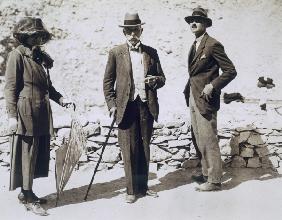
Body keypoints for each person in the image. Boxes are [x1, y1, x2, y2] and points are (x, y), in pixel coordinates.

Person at [5, 17, 73, 215]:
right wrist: (11, 116)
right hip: (25, 113)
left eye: (40, 36)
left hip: (41, 113)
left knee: (35, 155)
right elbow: (10, 89)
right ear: (25, 37)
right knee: (27, 155)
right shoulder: (17, 56)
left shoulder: (39, 57)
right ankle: (28, 197)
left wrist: (61, 100)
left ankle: (27, 192)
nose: (37, 39)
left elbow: (47, 88)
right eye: (34, 36)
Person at [103, 12, 166, 203]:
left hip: (146, 105)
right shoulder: (116, 52)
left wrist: (155, 80)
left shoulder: (151, 52)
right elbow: (107, 82)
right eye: (128, 31)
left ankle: (143, 187)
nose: (132, 34)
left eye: (135, 30)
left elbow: (162, 79)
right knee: (128, 148)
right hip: (125, 107)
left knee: (144, 147)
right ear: (124, 32)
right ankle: (131, 190)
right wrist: (112, 104)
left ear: (141, 30)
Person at [183, 7, 237, 191]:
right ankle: (206, 173)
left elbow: (230, 71)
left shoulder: (213, 44)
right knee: (198, 137)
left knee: (208, 138)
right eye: (191, 20)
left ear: (205, 24)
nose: (193, 23)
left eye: (197, 20)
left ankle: (214, 181)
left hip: (206, 98)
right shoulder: (194, 45)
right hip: (193, 95)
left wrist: (213, 85)